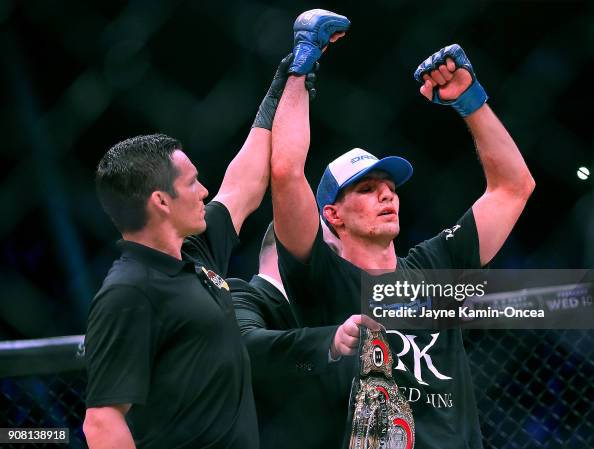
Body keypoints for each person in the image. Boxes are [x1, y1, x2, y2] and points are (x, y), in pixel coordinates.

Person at [270, 10, 535, 449]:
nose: (387, 196)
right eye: (368, 189)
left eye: (390, 188)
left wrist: (470, 101)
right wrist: (302, 65)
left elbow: (514, 187)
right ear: (333, 215)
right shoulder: (320, 275)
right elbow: (284, 171)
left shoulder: (435, 265)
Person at [83, 54, 305, 449]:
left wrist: (283, 87)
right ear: (161, 202)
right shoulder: (129, 291)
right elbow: (102, 424)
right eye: (192, 183)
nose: (205, 191)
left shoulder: (193, 256)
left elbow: (244, 186)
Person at [230, 222, 380, 449]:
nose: (339, 271)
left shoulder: (334, 318)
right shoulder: (243, 294)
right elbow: (247, 346)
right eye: (330, 257)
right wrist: (330, 341)